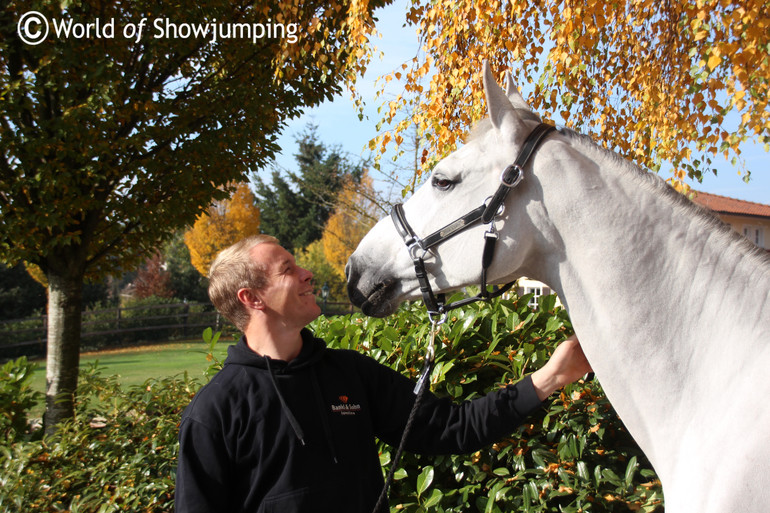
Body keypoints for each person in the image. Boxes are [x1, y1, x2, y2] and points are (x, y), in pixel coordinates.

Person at [175, 234, 592, 513]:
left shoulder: (349, 374)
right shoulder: (215, 412)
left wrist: (550, 378)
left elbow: (451, 428)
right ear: (252, 299)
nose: (308, 274)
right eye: (287, 269)